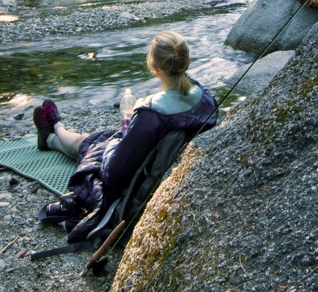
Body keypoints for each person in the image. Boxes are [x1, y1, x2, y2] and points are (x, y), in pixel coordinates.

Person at [32, 30, 217, 242]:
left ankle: (53, 132)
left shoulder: (152, 114)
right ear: (186, 61)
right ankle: (54, 131)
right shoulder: (205, 97)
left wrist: (116, 141)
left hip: (137, 183)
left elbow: (113, 175)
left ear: (155, 68)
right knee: (98, 137)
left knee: (90, 142)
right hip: (160, 162)